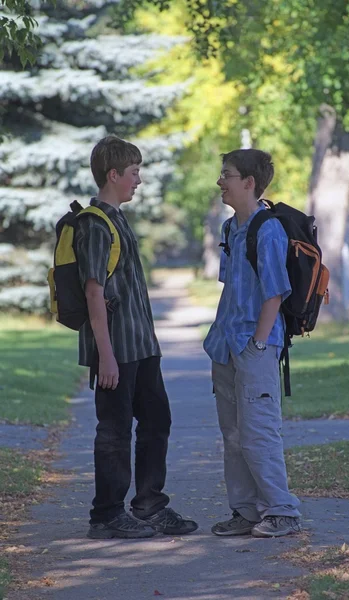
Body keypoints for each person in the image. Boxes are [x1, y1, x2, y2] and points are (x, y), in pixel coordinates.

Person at [75, 135, 198, 539]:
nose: (139, 180)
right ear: (114, 175)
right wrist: (105, 356)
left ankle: (147, 505)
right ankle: (106, 515)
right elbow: (93, 291)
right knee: (113, 430)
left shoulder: (117, 218)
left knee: (156, 419)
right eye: (133, 173)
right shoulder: (94, 224)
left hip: (142, 345)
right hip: (117, 349)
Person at [203, 149, 301, 538]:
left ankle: (283, 511)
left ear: (249, 182)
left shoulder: (268, 229)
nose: (220, 181)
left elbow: (274, 293)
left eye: (226, 174)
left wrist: (259, 346)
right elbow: (232, 286)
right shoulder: (230, 229)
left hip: (254, 347)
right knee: (232, 435)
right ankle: (245, 511)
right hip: (225, 344)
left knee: (259, 431)